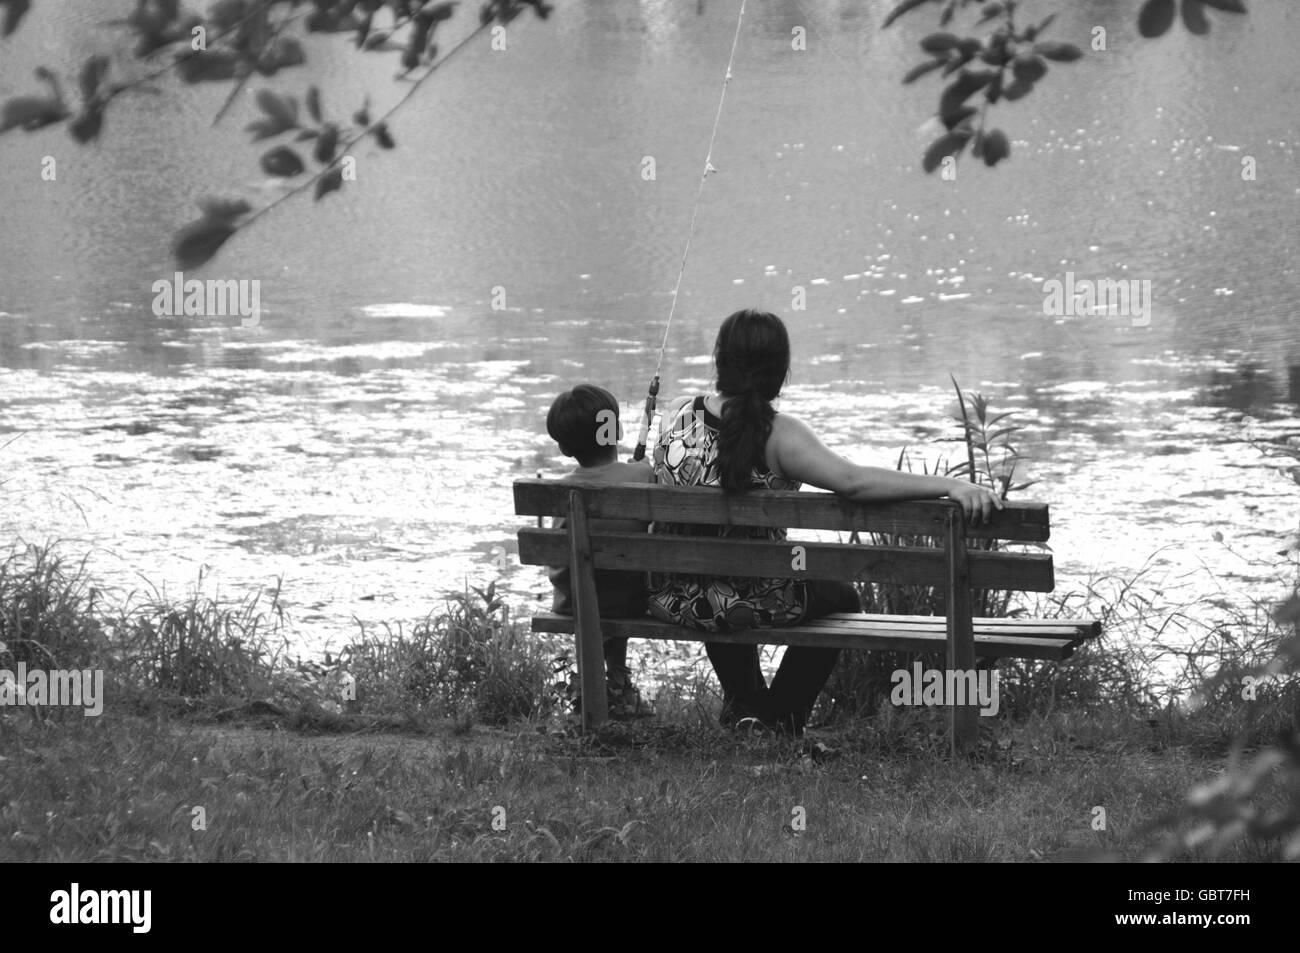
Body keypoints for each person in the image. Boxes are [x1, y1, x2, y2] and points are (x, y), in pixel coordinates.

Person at [648, 309, 1002, 734]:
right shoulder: (781, 434)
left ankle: (746, 706)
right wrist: (947, 484)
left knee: (720, 567)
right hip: (746, 598)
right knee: (842, 600)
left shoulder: (675, 414)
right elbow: (853, 482)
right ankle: (781, 716)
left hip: (674, 596)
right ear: (780, 369)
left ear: (719, 359)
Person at [545, 383, 654, 719]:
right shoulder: (645, 474)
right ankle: (618, 685)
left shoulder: (564, 488)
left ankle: (602, 689)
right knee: (615, 577)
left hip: (575, 600)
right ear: (617, 430)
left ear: (565, 448)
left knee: (594, 576)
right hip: (632, 600)